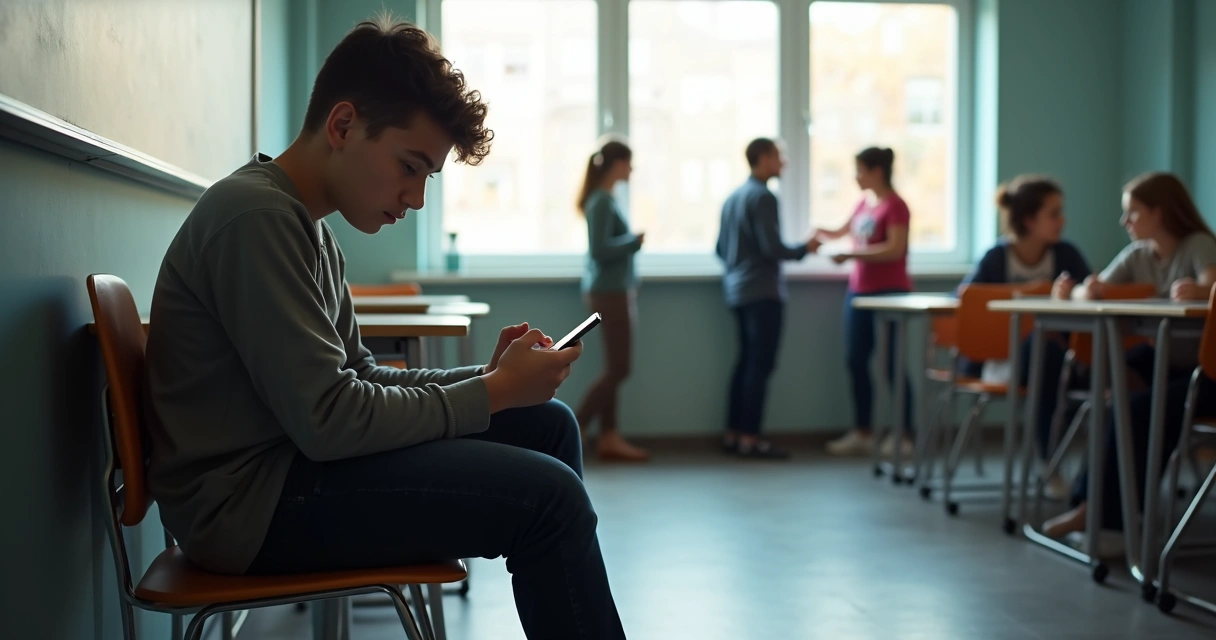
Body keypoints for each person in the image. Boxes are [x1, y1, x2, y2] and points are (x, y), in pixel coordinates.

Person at [143, 18, 627, 639]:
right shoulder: (255, 219)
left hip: (286, 472)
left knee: (548, 426)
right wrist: (494, 393)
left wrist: (487, 377)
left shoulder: (307, 227)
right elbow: (330, 419)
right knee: (549, 500)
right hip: (248, 510)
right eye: (410, 166)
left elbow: (360, 377)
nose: (417, 197)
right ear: (343, 125)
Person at [1043, 172, 1216, 548]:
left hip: (1205, 371)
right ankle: (1096, 510)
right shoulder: (1139, 254)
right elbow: (1092, 290)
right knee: (1115, 402)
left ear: (1159, 212)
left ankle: (1112, 522)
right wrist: (1075, 293)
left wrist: (1201, 290)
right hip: (1166, 360)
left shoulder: (1198, 244)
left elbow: (1212, 284)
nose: (1125, 222)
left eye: (1132, 213)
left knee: (1136, 411)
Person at [961, 176, 1092, 497]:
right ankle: (1052, 464)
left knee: (1065, 365)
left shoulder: (1066, 255)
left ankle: (1077, 472)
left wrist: (1075, 294)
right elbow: (966, 300)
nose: (1063, 220)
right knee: (1045, 349)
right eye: (1054, 213)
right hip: (1002, 363)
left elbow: (1092, 296)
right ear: (1029, 220)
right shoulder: (996, 257)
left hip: (1057, 365)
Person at [716, 138, 818, 459]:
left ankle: (734, 433)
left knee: (746, 362)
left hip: (737, 291)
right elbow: (773, 248)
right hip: (762, 292)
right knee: (760, 365)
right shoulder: (763, 197)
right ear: (762, 158)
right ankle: (751, 437)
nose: (784, 162)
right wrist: (806, 248)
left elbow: (720, 249)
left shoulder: (733, 197)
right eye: (778, 156)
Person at [820, 147, 915, 458]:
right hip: (858, 292)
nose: (856, 177)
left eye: (860, 170)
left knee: (891, 364)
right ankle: (863, 430)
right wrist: (818, 236)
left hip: (889, 292)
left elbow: (895, 249)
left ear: (877, 171)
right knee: (856, 360)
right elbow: (841, 231)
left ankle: (905, 434)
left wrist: (851, 255)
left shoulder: (896, 206)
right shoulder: (863, 203)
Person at [575, 139, 650, 462]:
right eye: (629, 163)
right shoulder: (602, 202)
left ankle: (609, 436)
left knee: (614, 368)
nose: (632, 169)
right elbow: (600, 250)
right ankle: (575, 426)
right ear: (617, 164)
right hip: (609, 294)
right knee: (620, 369)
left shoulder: (606, 199)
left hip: (613, 291)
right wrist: (633, 243)